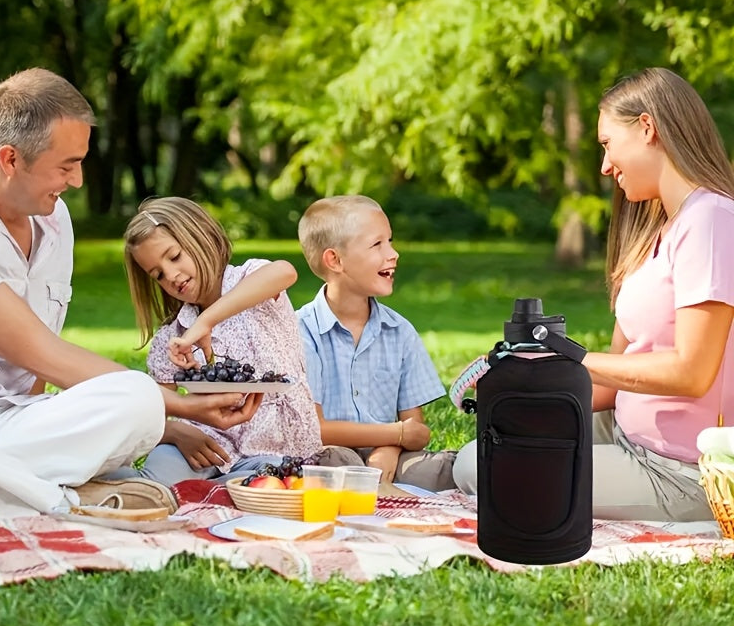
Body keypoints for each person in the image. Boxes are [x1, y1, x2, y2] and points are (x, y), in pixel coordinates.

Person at [0, 68, 260, 521]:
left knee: (134, 399)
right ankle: (65, 497)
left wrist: (139, 415)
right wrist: (184, 406)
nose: (78, 180)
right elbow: (40, 351)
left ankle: (28, 483)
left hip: (14, 422)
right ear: (10, 159)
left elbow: (35, 374)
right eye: (67, 165)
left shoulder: (52, 220)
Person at [453, 67, 734, 521]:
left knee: (476, 467)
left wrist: (568, 354)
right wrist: (529, 391)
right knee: (496, 437)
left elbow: (692, 373)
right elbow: (620, 371)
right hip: (622, 431)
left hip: (680, 472)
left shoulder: (713, 221)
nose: (604, 166)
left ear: (647, 128)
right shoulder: (662, 230)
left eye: (607, 144)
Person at [114, 196, 322, 486]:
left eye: (175, 257)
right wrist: (175, 432)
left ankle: (209, 493)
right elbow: (155, 409)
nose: (172, 276)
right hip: (199, 444)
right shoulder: (173, 338)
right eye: (158, 275)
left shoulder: (252, 282)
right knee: (151, 485)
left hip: (274, 448)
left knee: (252, 489)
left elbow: (285, 271)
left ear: (203, 236)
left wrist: (206, 321)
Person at [296, 195, 455, 492]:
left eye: (390, 242)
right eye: (377, 244)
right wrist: (395, 436)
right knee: (332, 463)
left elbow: (417, 432)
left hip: (390, 460)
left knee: (445, 469)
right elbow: (314, 430)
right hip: (330, 455)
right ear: (335, 260)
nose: (393, 254)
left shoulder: (400, 332)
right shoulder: (301, 331)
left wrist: (389, 449)